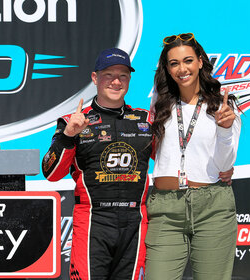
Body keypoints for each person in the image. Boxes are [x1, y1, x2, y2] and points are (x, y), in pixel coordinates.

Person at [42, 48, 153, 280]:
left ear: (130, 79)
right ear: (95, 78)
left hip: (136, 221)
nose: (116, 81)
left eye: (123, 75)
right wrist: (68, 136)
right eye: (108, 75)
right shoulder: (72, 121)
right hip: (93, 219)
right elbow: (50, 172)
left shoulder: (145, 120)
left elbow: (173, 160)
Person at [145, 33, 241, 280]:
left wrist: (225, 130)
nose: (182, 69)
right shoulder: (160, 104)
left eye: (188, 60)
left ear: (200, 61)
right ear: (167, 68)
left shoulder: (224, 105)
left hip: (212, 207)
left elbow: (224, 165)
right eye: (174, 63)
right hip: (165, 208)